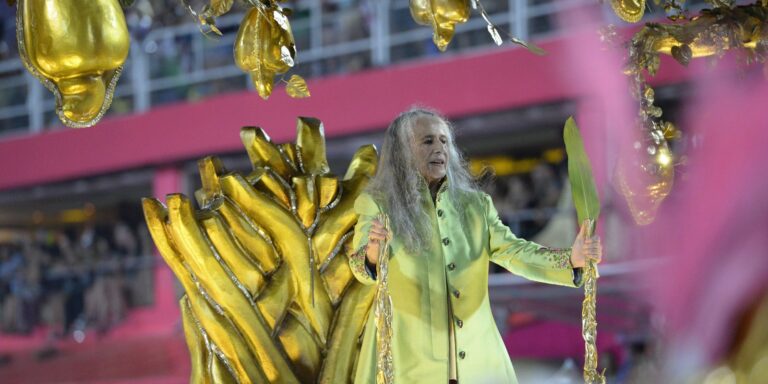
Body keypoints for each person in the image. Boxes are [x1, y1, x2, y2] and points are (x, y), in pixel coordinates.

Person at [348, 107, 602, 383]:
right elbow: (358, 265)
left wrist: (569, 260)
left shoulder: (476, 206)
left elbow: (513, 252)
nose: (439, 149)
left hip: (479, 363)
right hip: (407, 363)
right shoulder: (378, 204)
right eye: (428, 141)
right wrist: (372, 256)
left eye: (444, 141)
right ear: (402, 152)